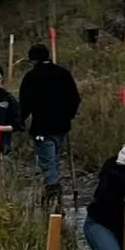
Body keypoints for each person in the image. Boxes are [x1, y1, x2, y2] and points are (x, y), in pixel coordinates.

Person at [18, 42, 82, 194]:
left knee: (47, 161)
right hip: (62, 126)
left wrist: (19, 120)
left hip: (42, 127)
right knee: (54, 158)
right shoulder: (63, 74)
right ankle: (54, 189)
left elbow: (25, 103)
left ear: (33, 60)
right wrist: (69, 116)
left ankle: (53, 192)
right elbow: (74, 98)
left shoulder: (32, 77)